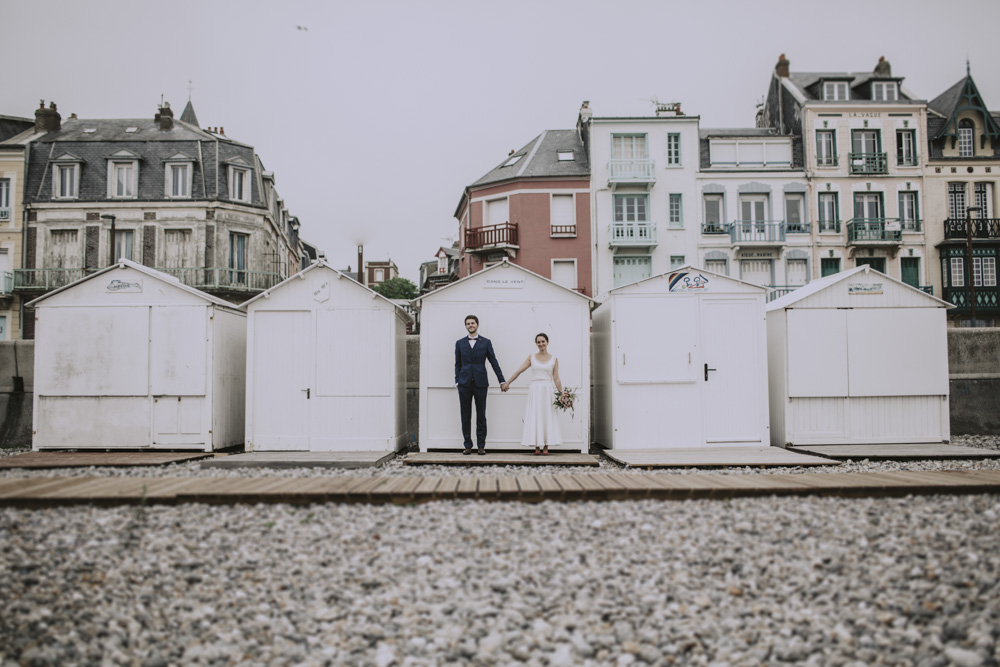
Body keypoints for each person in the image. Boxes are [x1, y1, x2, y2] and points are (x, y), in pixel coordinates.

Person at [501, 333, 562, 455]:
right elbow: (519, 371)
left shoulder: (554, 359)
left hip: (547, 389)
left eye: (543, 341)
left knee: (546, 416)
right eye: (538, 342)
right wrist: (507, 382)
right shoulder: (532, 357)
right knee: (536, 415)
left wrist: (562, 393)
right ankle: (536, 448)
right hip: (535, 389)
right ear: (536, 344)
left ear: (547, 342)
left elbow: (556, 378)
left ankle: (546, 447)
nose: (541, 344)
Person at [455, 314, 506, 455]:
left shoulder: (486, 342)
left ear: (477, 324)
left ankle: (481, 445)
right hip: (464, 384)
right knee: (465, 415)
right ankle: (467, 445)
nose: (470, 325)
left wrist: (502, 380)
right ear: (466, 326)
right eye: (468, 323)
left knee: (481, 415)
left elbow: (493, 362)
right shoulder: (459, 343)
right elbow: (458, 364)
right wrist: (457, 380)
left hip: (481, 383)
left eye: (472, 323)